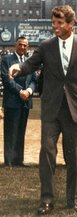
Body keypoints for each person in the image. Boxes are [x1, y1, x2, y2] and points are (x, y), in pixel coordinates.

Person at [8, 5, 77, 215]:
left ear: (71, 24)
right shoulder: (46, 45)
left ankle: (73, 199)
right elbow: (30, 64)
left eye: (59, 23)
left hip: (75, 108)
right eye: (53, 23)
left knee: (74, 158)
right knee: (47, 155)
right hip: (51, 109)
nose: (55, 27)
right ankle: (47, 200)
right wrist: (18, 68)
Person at [1, 36, 37, 167]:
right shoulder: (7, 60)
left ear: (28, 47)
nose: (22, 47)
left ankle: (19, 160)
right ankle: (9, 161)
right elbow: (7, 80)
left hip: (26, 101)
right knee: (11, 131)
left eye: (25, 45)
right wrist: (20, 91)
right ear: (15, 45)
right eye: (20, 44)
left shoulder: (30, 62)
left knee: (21, 131)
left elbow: (34, 80)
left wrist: (29, 91)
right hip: (12, 101)